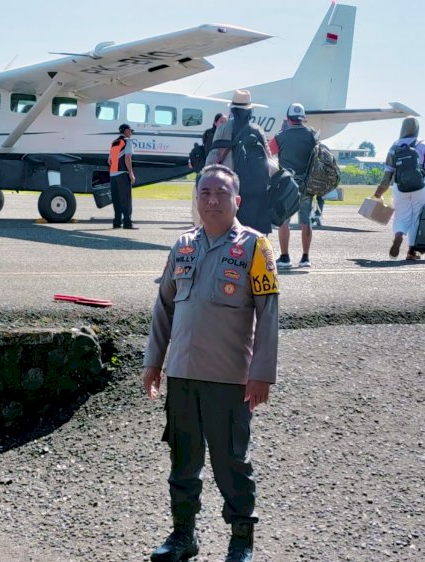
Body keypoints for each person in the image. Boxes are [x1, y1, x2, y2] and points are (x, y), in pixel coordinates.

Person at [143, 164, 279, 562]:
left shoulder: (256, 247)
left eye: (221, 193)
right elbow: (164, 307)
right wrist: (154, 362)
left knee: (231, 462)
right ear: (197, 199)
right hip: (182, 375)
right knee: (183, 461)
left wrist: (261, 374)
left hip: (228, 378)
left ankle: (241, 542)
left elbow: (268, 314)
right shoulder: (182, 246)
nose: (212, 200)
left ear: (237, 199)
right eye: (204, 193)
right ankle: (183, 536)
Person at [206, 90, 274, 235]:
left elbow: (212, 159)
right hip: (257, 191)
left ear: (232, 109)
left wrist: (205, 180)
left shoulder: (222, 129)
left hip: (231, 189)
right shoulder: (257, 130)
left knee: (231, 232)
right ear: (250, 110)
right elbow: (269, 160)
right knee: (257, 235)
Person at [373, 116, 425, 260]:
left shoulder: (394, 147)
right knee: (416, 217)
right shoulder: (423, 145)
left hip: (400, 187)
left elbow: (388, 173)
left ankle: (398, 236)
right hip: (421, 187)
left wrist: (379, 191)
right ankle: (411, 252)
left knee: (401, 216)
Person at [269, 102, 318, 268]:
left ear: (288, 119)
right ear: (303, 119)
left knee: (284, 221)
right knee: (306, 221)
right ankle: (305, 258)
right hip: (307, 184)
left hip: (286, 185)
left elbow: (268, 154)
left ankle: (285, 257)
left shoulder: (280, 137)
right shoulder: (312, 136)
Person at [191, 113, 227, 226]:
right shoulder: (214, 136)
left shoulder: (212, 134)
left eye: (226, 122)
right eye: (221, 121)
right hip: (211, 172)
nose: (224, 124)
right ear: (215, 123)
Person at [108, 123, 137, 229]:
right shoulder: (127, 141)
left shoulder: (114, 142)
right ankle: (127, 223)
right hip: (122, 173)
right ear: (125, 131)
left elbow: (109, 160)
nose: (131, 133)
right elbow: (127, 158)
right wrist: (131, 173)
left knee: (116, 199)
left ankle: (117, 222)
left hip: (113, 174)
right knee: (126, 199)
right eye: (130, 131)